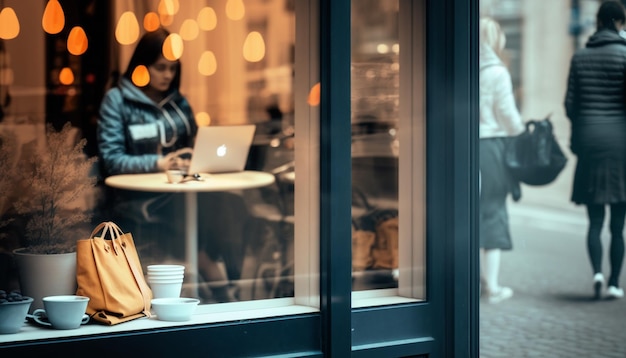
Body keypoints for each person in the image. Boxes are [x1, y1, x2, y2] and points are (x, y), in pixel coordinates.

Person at [97, 28, 244, 302]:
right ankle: (217, 279)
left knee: (231, 201)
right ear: (142, 65)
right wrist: (159, 162)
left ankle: (220, 274)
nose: (167, 75)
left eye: (173, 69)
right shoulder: (118, 100)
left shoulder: (179, 103)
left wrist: (194, 159)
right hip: (137, 198)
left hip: (177, 189)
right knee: (206, 209)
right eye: (160, 67)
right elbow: (111, 159)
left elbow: (197, 144)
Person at [565, 0, 626, 300]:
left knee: (595, 220)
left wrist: (579, 136)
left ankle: (597, 274)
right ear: (618, 22)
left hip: (590, 144)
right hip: (620, 146)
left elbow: (570, 105)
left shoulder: (580, 57)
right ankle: (615, 282)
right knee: (618, 223)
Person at [479, 17, 525, 304]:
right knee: (493, 212)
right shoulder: (497, 72)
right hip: (492, 148)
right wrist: (521, 134)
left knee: (465, 216)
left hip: (463, 148)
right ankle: (492, 287)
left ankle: (468, 280)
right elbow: (508, 116)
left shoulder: (462, 71)